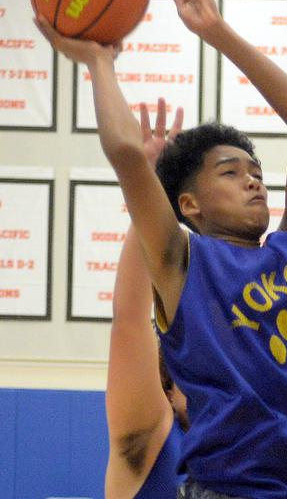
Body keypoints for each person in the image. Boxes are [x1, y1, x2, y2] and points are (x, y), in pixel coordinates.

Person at [36, 0, 287, 499]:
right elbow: (126, 151)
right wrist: (99, 62)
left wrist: (217, 32)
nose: (254, 182)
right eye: (231, 171)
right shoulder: (183, 264)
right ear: (189, 204)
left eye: (257, 172)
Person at [104, 109, 187, 498]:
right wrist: (151, 184)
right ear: (170, 386)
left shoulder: (238, 449)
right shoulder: (152, 431)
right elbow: (130, 317)